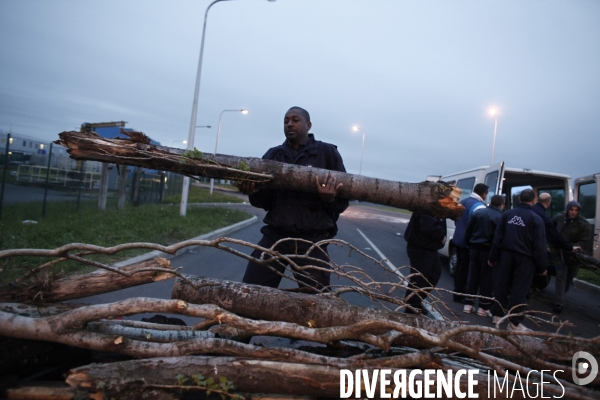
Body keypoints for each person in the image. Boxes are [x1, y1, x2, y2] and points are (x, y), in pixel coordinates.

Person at [237, 106, 349, 291]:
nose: (289, 124)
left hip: (311, 242)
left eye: (295, 120)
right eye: (286, 120)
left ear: (308, 125)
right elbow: (263, 202)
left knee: (316, 304)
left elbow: (343, 202)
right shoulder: (274, 155)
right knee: (249, 293)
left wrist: (329, 199)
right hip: (275, 237)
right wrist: (253, 191)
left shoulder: (327, 153)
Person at [488, 189, 547, 331]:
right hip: (525, 259)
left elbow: (498, 238)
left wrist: (493, 256)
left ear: (519, 199)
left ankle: (496, 314)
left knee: (501, 285)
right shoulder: (536, 219)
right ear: (533, 201)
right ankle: (514, 322)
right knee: (519, 290)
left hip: (505, 255)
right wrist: (542, 266)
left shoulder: (507, 214)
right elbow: (539, 245)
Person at [463, 194, 505, 317]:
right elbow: (498, 239)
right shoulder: (500, 217)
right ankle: (483, 306)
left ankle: (468, 304)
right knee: (487, 279)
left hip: (474, 248)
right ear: (501, 205)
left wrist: (469, 244)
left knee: (472, 276)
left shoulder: (479, 213)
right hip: (489, 250)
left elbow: (468, 231)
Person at [531, 193, 577, 291]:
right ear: (548, 203)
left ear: (537, 201)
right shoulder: (544, 217)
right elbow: (555, 237)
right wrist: (569, 247)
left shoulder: (530, 210)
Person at [550, 200, 591, 313]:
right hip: (560, 252)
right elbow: (550, 229)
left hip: (574, 255)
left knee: (568, 278)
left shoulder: (584, 224)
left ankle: (560, 297)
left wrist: (574, 247)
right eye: (571, 210)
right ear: (567, 209)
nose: (573, 212)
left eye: (576, 210)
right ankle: (558, 303)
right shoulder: (559, 218)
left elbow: (584, 242)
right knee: (561, 276)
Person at [403, 212, 447, 315]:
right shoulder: (428, 205)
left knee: (433, 274)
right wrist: (441, 235)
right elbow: (429, 226)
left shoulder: (435, 205)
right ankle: (411, 307)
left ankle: (415, 302)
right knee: (420, 279)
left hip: (429, 247)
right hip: (421, 247)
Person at [451, 183, 489, 303]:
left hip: (457, 239)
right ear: (483, 194)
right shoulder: (479, 207)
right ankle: (463, 294)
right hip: (468, 242)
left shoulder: (464, 202)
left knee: (460, 267)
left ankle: (457, 292)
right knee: (467, 270)